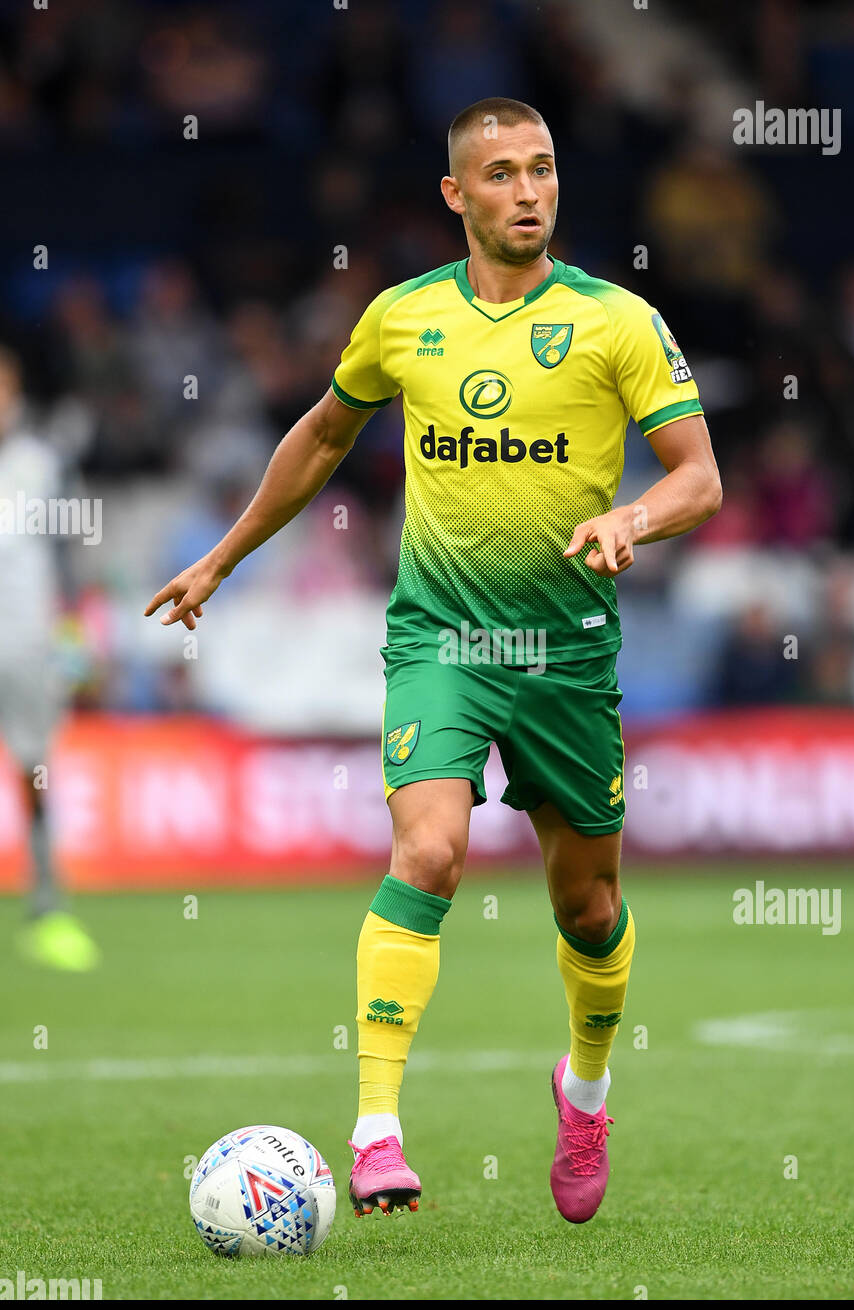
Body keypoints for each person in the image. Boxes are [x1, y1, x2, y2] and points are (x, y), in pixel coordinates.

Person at [146, 98, 722, 1224]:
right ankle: (372, 1131)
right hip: (442, 639)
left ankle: (585, 1089)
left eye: (543, 170)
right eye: (501, 173)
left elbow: (697, 477)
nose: (528, 191)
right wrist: (221, 559)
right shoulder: (401, 319)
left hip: (564, 652)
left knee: (590, 907)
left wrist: (629, 523)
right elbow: (321, 435)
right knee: (431, 850)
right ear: (456, 195)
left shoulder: (618, 322)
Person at [0, 346, 99, 971]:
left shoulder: (42, 465)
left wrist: (71, 635)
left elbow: (72, 552)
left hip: (25, 638)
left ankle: (46, 900)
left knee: (33, 765)